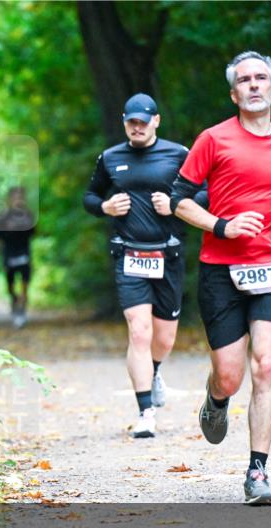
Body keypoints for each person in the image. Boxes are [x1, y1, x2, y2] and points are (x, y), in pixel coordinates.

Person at [169, 51, 271, 505]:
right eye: (245, 80)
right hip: (222, 271)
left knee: (268, 363)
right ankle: (215, 401)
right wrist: (222, 225)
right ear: (234, 93)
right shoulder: (213, 140)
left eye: (262, 78)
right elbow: (179, 200)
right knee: (231, 376)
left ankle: (258, 472)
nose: (254, 85)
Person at [83, 93, 206, 439]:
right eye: (130, 122)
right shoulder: (110, 158)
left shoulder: (179, 154)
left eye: (142, 121)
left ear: (156, 121)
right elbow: (89, 197)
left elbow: (207, 193)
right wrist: (105, 207)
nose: (136, 128)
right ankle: (145, 412)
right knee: (139, 330)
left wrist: (175, 203)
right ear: (125, 122)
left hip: (167, 254)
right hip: (128, 253)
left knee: (164, 337)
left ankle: (154, 370)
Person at [0, 186, 35, 328]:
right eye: (15, 197)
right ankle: (14, 301)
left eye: (20, 197)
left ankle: (22, 310)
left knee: (24, 284)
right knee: (10, 286)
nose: (18, 199)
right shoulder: (3, 217)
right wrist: (6, 230)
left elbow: (34, 233)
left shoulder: (28, 215)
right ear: (10, 199)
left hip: (24, 253)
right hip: (9, 254)